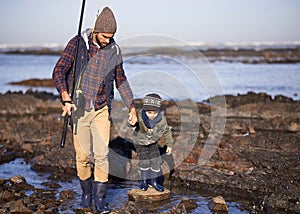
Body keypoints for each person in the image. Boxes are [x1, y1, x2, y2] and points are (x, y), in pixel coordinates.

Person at [52, 7, 137, 213]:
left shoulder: (114, 50)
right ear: (97, 31)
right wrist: (65, 96)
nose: (108, 40)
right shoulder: (78, 43)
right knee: (82, 157)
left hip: (101, 109)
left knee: (101, 155)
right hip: (79, 109)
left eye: (112, 37)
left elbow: (121, 80)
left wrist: (132, 106)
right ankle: (86, 194)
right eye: (105, 36)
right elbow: (59, 70)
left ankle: (100, 202)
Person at [128, 93, 173, 192]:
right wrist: (131, 122)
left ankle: (154, 182)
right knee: (145, 161)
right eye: (149, 113)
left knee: (156, 161)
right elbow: (131, 123)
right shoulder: (140, 116)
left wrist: (169, 145)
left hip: (152, 143)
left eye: (154, 113)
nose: (152, 115)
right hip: (140, 143)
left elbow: (167, 131)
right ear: (145, 110)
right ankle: (144, 181)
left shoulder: (161, 120)